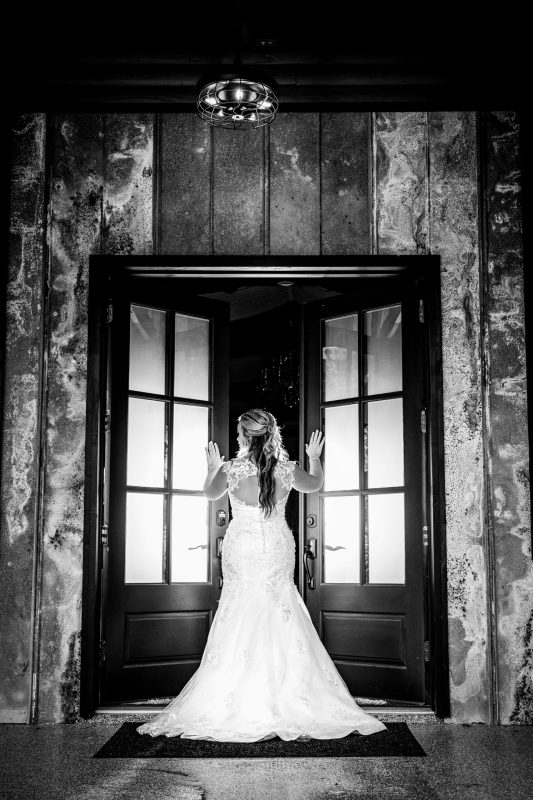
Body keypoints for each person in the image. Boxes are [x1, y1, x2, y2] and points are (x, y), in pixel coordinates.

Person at [137, 408, 387, 742]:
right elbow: (315, 484)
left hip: (243, 546)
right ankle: (291, 697)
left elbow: (210, 494)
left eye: (239, 433)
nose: (237, 437)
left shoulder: (232, 469)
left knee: (239, 608)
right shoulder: (287, 470)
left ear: (244, 435)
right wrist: (314, 457)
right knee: (280, 606)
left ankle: (239, 696)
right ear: (271, 435)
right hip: (276, 545)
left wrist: (212, 468)